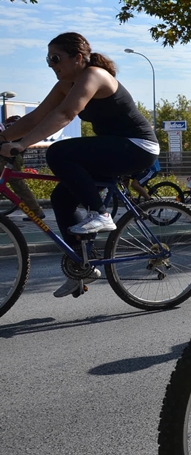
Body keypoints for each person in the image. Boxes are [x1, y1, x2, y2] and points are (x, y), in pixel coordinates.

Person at [0, 32, 158, 297]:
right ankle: (81, 265)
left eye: (55, 58)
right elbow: (38, 117)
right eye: (47, 60)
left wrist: (22, 144)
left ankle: (101, 214)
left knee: (59, 152)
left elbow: (65, 114)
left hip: (138, 146)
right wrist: (4, 137)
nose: (52, 65)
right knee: (62, 197)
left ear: (78, 58)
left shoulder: (93, 75)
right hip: (113, 148)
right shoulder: (66, 84)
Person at [0, 115, 45, 220]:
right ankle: (36, 211)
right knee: (19, 186)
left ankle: (36, 211)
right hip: (9, 157)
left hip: (8, 158)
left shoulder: (9, 129)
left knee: (19, 186)